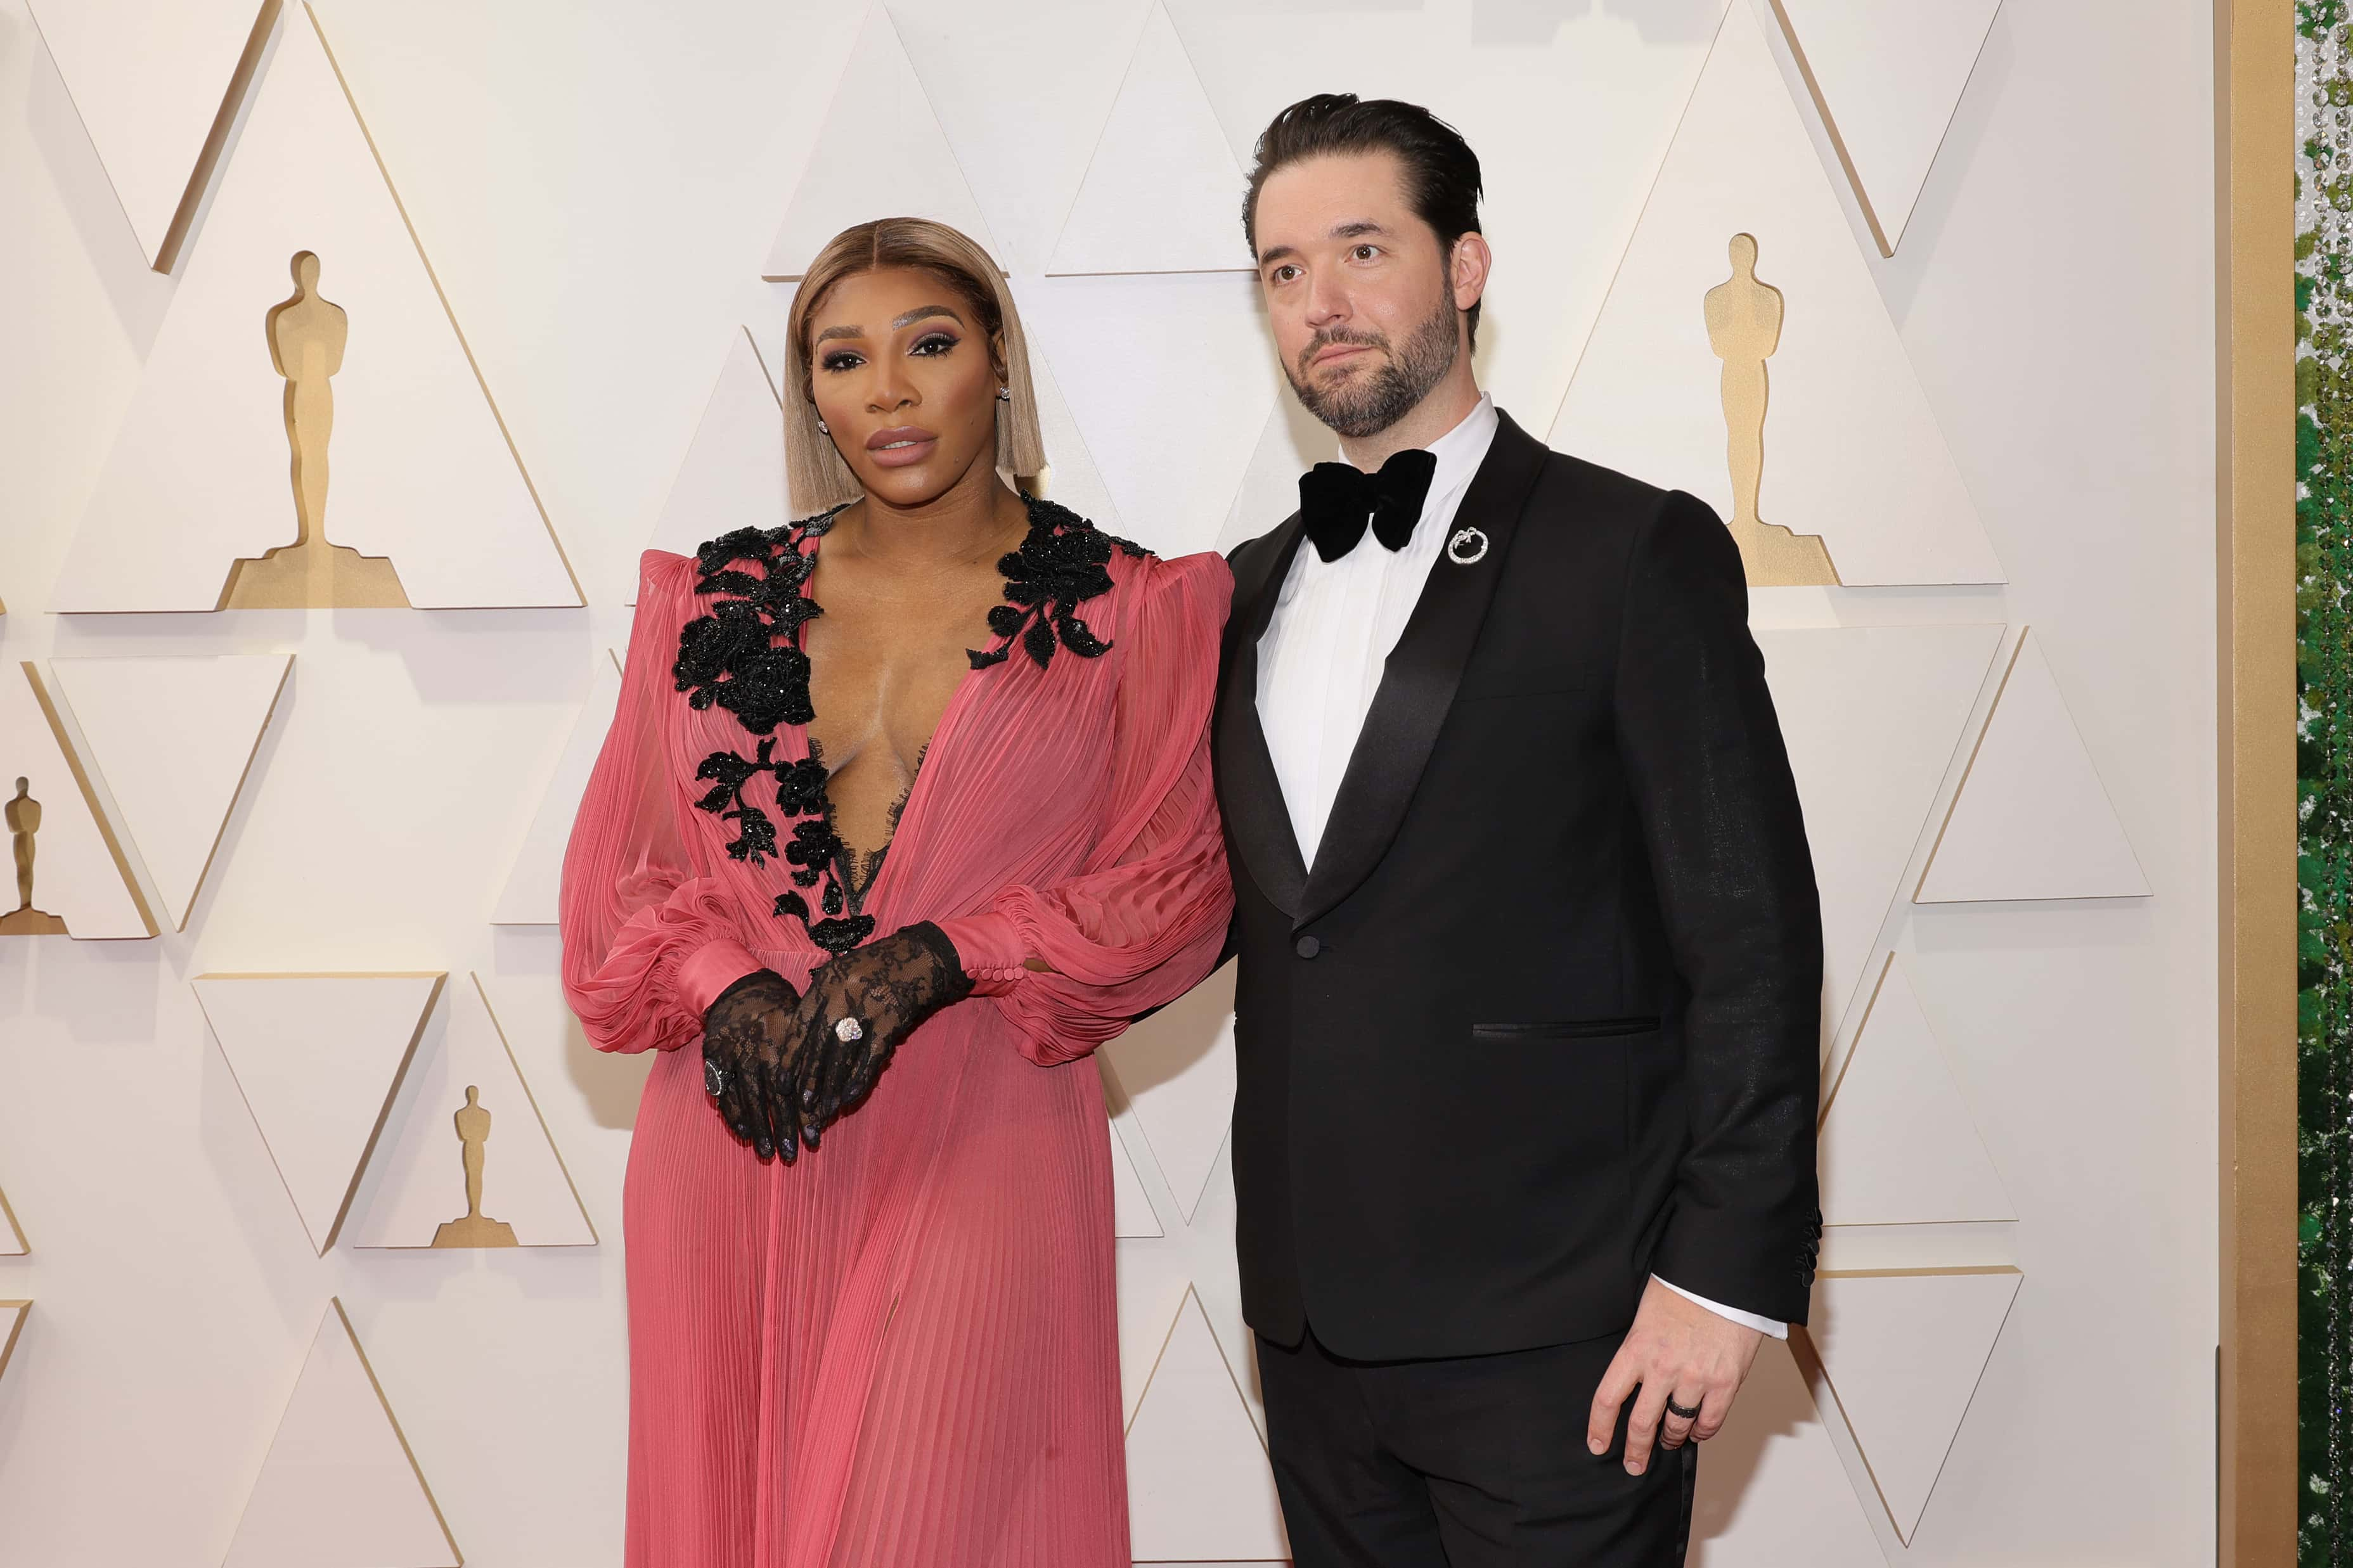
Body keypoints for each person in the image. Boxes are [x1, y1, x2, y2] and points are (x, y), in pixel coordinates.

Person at [559, 217, 1233, 1566]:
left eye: (929, 344)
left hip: (979, 1122)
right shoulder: (706, 600)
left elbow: (1178, 887)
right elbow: (618, 887)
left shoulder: (1134, 609)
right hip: (733, 1126)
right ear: (807, 391)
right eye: (840, 358)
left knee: (928, 1521)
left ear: (998, 360)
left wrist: (947, 953)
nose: (887, 391)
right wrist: (719, 981)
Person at [1215, 95, 1824, 1565]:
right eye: (1284, 270)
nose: (1323, 303)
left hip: (1569, 1333)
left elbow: (1747, 939)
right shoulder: (1235, 590)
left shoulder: (1630, 549)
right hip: (1308, 1341)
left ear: (1467, 266)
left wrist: (1721, 1280)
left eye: (1364, 248)